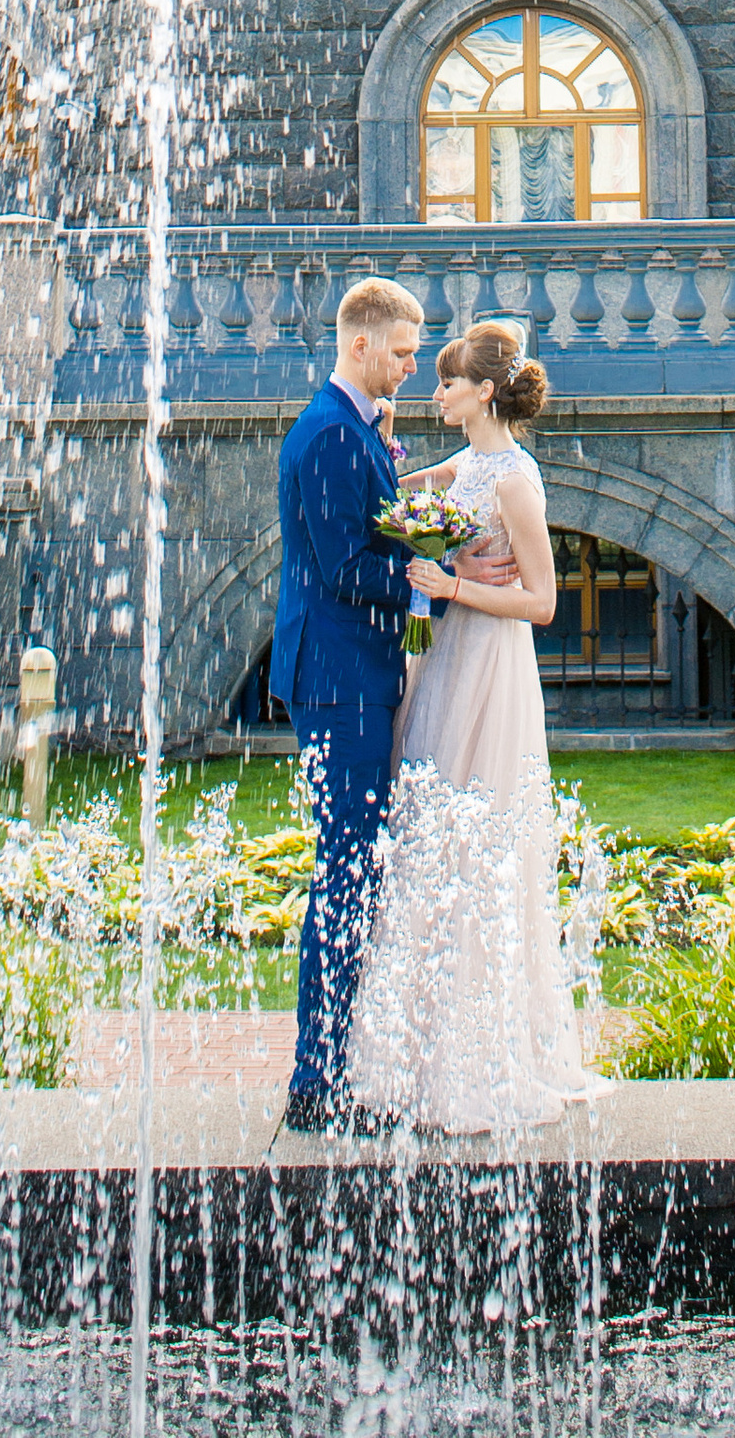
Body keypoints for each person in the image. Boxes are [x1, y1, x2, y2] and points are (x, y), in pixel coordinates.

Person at [342, 319, 600, 1133]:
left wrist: (454, 587)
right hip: (448, 657)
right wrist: (384, 442)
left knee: (475, 838)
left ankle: (482, 1058)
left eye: (448, 382)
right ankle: (418, 1057)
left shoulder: (516, 481)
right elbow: (400, 495)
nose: (437, 392)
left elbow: (543, 602)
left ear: (484, 392)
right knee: (430, 834)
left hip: (490, 663)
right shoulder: (469, 464)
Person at [270, 273, 423, 1132]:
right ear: (359, 343)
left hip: (348, 675)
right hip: (338, 681)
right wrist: (435, 582)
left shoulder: (354, 426)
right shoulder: (331, 433)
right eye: (400, 352)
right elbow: (347, 570)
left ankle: (330, 1071)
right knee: (347, 873)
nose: (409, 367)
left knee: (355, 869)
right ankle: (316, 1083)